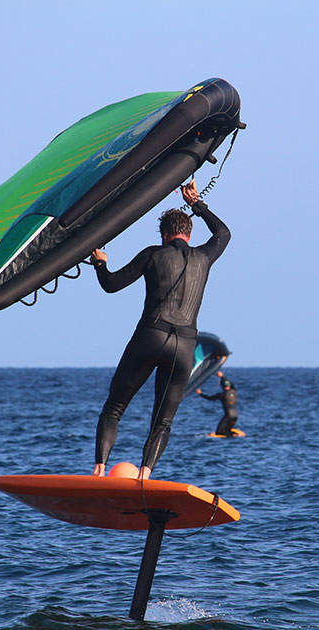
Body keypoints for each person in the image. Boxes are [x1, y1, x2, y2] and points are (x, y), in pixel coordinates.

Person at [89, 179, 230, 480]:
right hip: (184, 346)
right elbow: (223, 233)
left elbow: (111, 285)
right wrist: (197, 204)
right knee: (162, 422)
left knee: (114, 407)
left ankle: (99, 470)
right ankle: (144, 475)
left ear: (164, 234)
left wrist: (100, 263)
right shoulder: (204, 257)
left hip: (150, 336)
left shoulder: (153, 254)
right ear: (188, 235)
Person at [196, 370, 239, 436]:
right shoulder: (234, 391)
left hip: (228, 416)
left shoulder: (222, 395)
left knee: (218, 432)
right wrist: (222, 376)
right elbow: (231, 383)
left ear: (222, 386)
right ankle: (233, 434)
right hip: (236, 416)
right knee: (226, 430)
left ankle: (232, 435)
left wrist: (200, 394)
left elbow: (210, 398)